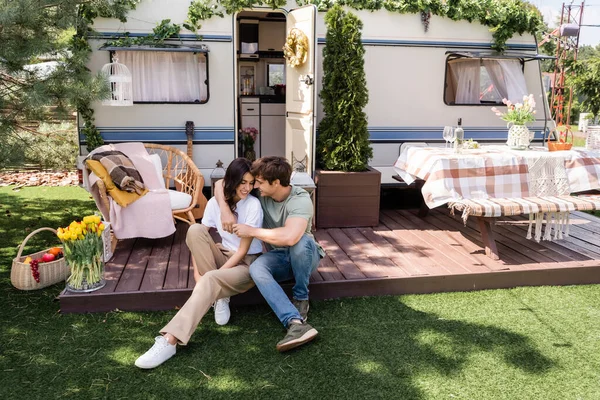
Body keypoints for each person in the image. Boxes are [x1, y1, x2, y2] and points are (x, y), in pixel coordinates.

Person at [135, 158, 263, 369]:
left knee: (212, 278)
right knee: (194, 230)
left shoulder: (253, 205)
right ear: (232, 180)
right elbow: (200, 237)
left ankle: (170, 340)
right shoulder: (215, 203)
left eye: (251, 183)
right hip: (223, 254)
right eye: (243, 183)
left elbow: (242, 250)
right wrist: (198, 274)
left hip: (247, 263)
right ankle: (219, 294)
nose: (247, 188)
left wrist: (213, 276)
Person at [217, 156, 324, 352]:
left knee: (300, 242)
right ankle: (294, 323)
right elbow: (219, 183)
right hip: (280, 258)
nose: (255, 186)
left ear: (275, 183)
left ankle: (301, 297)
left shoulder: (300, 199)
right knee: (257, 267)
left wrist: (252, 231)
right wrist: (225, 210)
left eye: (259, 182)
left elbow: (291, 237)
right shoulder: (262, 195)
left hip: (305, 257)